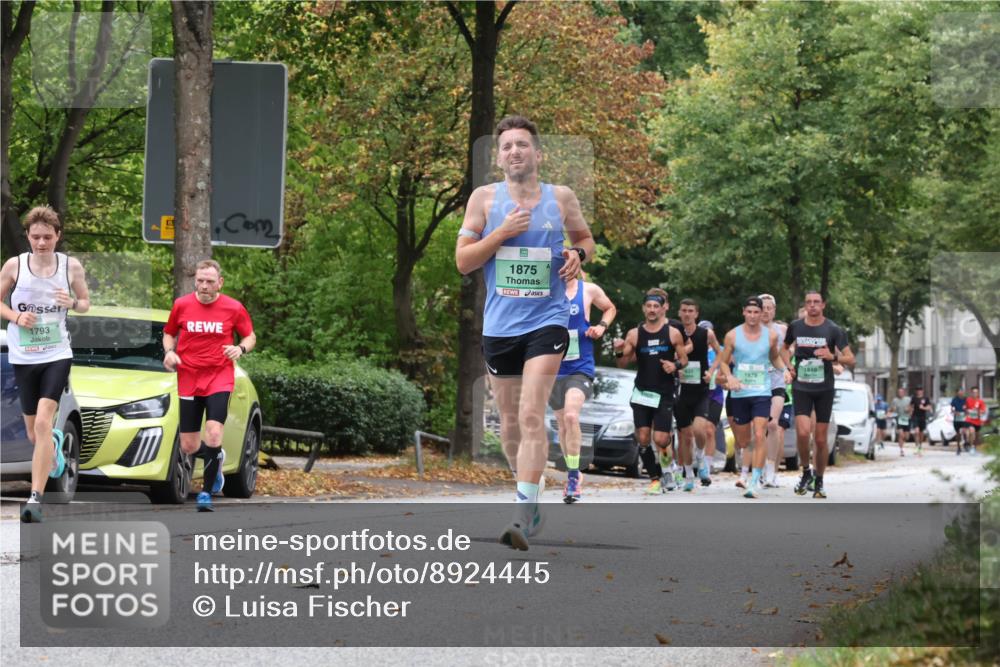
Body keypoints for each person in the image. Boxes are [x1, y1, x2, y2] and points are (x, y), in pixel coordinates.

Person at [455, 115, 595, 550]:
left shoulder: (561, 197)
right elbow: (463, 261)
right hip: (501, 326)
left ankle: (520, 513)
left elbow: (586, 241)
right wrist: (502, 232)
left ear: (538, 153)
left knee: (533, 412)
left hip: (548, 321)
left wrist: (577, 255)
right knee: (511, 424)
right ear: (499, 158)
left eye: (522, 144)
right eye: (507, 146)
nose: (514, 151)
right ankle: (529, 496)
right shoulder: (483, 199)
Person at [2, 206, 91, 523]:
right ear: (28, 236)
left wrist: (73, 303)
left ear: (58, 236)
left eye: (48, 237)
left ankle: (35, 498)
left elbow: (85, 303)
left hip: (56, 354)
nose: (41, 243)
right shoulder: (15, 265)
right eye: (36, 237)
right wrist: (16, 316)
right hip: (23, 356)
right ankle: (51, 446)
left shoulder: (70, 266)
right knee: (33, 433)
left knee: (42, 422)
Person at [163, 259, 256, 513]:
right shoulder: (181, 305)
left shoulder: (233, 308)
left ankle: (205, 493)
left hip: (219, 376)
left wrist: (240, 348)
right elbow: (169, 333)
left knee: (214, 433)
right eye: (200, 281)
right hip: (188, 377)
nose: (204, 286)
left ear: (220, 283)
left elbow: (250, 336)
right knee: (189, 446)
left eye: (210, 281)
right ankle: (216, 455)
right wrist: (169, 352)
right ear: (195, 281)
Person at [548, 272, 616, 503]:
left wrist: (601, 327)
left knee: (571, 416)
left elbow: (610, 308)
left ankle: (573, 477)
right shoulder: (546, 290)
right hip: (553, 367)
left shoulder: (588, 290)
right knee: (562, 425)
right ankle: (572, 470)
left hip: (580, 366)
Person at [612, 288, 688, 495]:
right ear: (643, 309)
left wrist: (674, 366)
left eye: (656, 306)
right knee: (643, 438)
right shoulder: (634, 334)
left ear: (663, 309)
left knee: (661, 439)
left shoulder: (672, 333)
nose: (652, 309)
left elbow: (684, 359)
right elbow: (623, 363)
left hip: (664, 393)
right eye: (649, 306)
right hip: (642, 392)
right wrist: (618, 350)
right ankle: (655, 478)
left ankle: (669, 464)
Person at [718, 296, 791, 499]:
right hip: (740, 392)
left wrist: (784, 370)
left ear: (761, 313)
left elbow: (774, 357)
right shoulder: (732, 335)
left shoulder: (771, 336)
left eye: (756, 312)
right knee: (744, 440)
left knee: (760, 434)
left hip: (762, 392)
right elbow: (723, 362)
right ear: (743, 312)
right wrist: (730, 377)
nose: (752, 316)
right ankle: (750, 468)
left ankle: (754, 482)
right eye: (749, 312)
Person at [783, 290, 854, 499]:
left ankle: (819, 479)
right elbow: (783, 349)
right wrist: (789, 367)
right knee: (803, 433)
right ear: (805, 305)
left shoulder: (833, 329)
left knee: (821, 439)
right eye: (809, 302)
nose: (812, 305)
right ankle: (806, 471)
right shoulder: (796, 327)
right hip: (801, 387)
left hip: (824, 389)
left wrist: (832, 357)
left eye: (816, 302)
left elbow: (850, 358)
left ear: (823, 305)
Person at [674, 299, 721, 491]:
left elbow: (720, 353)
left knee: (700, 430)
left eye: (690, 311)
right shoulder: (673, 333)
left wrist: (712, 371)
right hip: (681, 391)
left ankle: (701, 456)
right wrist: (676, 367)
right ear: (679, 312)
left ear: (696, 314)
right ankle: (688, 475)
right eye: (684, 310)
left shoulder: (706, 334)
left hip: (701, 390)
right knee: (685, 437)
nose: (687, 314)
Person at [759, 294, 790, 487]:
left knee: (773, 425)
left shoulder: (782, 330)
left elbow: (788, 351)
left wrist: (788, 368)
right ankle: (760, 468)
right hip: (757, 383)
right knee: (759, 429)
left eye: (769, 308)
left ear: (774, 310)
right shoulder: (750, 331)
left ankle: (772, 470)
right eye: (763, 308)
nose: (766, 311)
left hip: (777, 382)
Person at [696, 320, 725, 485]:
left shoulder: (720, 350)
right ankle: (698, 459)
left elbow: (728, 369)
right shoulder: (693, 348)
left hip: (716, 395)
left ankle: (706, 465)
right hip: (699, 394)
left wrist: (721, 377)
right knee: (697, 430)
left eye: (709, 332)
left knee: (709, 430)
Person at [890, 386, 912, 457]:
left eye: (902, 392)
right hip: (899, 419)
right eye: (899, 392)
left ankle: (903, 441)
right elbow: (891, 409)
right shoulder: (895, 400)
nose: (900, 393)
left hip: (907, 419)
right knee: (901, 434)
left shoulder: (908, 399)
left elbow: (912, 408)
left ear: (904, 393)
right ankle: (901, 450)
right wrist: (893, 409)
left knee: (907, 437)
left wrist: (909, 409)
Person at [965, 387, 987, 454]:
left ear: (978, 393)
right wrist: (968, 411)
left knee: (977, 436)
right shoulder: (968, 400)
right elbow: (965, 409)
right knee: (972, 431)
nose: (975, 393)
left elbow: (983, 411)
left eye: (976, 392)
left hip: (977, 421)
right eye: (974, 392)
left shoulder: (980, 401)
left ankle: (974, 447)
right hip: (969, 420)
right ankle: (971, 446)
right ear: (971, 393)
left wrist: (978, 411)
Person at [910, 386, 932, 456]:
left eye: (920, 390)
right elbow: (911, 406)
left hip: (922, 417)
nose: (919, 391)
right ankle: (917, 447)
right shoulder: (914, 398)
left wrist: (923, 408)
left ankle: (920, 446)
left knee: (921, 433)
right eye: (917, 390)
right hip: (915, 416)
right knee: (916, 432)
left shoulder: (926, 398)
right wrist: (910, 411)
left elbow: (929, 407)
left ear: (922, 391)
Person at [950, 388, 967, 455]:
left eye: (962, 391)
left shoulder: (966, 399)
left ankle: (966, 443)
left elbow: (968, 407)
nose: (961, 393)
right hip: (957, 418)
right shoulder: (954, 400)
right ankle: (958, 447)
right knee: (958, 433)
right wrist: (955, 412)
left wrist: (966, 412)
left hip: (964, 418)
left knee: (964, 431)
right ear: (957, 393)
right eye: (959, 392)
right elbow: (952, 408)